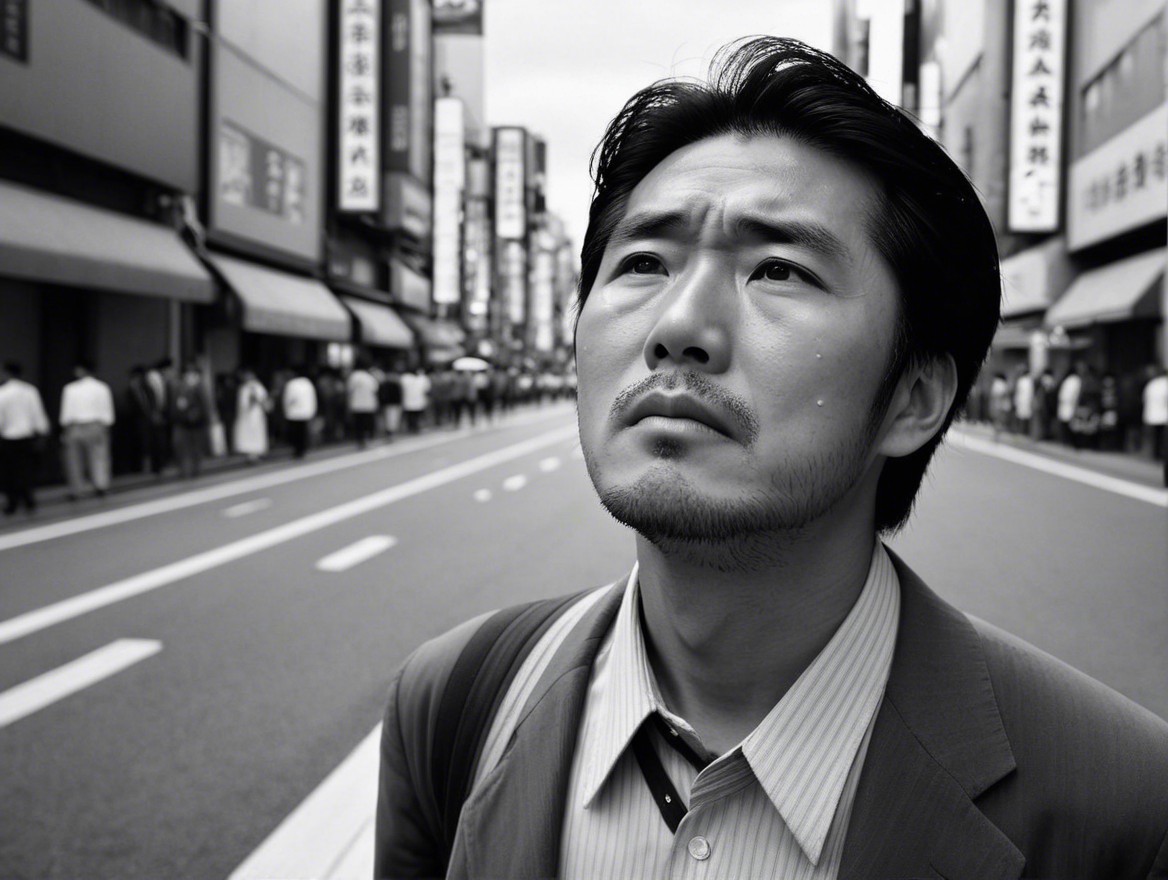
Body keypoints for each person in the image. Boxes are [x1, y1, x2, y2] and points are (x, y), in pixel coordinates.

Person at [374, 38, 1168, 879]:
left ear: (915, 398)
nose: (679, 326)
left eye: (779, 269)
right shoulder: (456, 702)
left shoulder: (1120, 809)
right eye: (643, 262)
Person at [0, 361, 50, 515]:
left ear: (7, 373)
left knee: (9, 471)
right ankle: (29, 500)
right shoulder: (30, 391)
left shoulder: (2, 392)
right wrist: (43, 430)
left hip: (8, 436)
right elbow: (37, 413)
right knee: (26, 469)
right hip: (27, 436)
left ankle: (12, 503)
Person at [171, 363, 211, 478]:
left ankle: (193, 470)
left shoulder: (200, 388)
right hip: (182, 423)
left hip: (196, 424)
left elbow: (205, 407)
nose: (189, 377)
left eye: (191, 374)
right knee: (183, 448)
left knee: (195, 448)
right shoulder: (180, 388)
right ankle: (185, 471)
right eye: (187, 374)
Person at [233, 368, 270, 463]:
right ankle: (250, 454)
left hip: (256, 415)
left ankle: (256, 453)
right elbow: (241, 404)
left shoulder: (258, 387)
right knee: (247, 434)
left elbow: (264, 400)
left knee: (256, 433)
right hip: (246, 416)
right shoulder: (243, 388)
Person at [282, 365, 317, 459]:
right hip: (306, 412)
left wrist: (285, 411)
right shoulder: (308, 383)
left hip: (294, 413)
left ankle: (297, 450)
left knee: (295, 433)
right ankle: (302, 450)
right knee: (302, 432)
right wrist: (312, 410)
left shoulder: (291, 384)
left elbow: (288, 399)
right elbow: (312, 398)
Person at [346, 359, 380, 448]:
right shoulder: (370, 377)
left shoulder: (353, 376)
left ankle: (360, 440)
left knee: (358, 423)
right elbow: (375, 390)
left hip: (356, 404)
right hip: (369, 404)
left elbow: (349, 390)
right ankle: (367, 438)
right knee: (367, 423)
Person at [1143, 365, 1168, 463]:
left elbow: (1144, 398)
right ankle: (1160, 454)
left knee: (1155, 436)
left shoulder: (1151, 384)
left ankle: (1155, 454)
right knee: (1163, 437)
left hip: (1152, 414)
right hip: (1163, 415)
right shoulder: (1165, 384)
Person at [400, 368, 430, 434]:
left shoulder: (404, 378)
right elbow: (427, 389)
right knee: (416, 415)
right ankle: (415, 428)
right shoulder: (421, 379)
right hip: (417, 401)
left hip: (409, 401)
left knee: (411, 416)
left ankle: (412, 428)